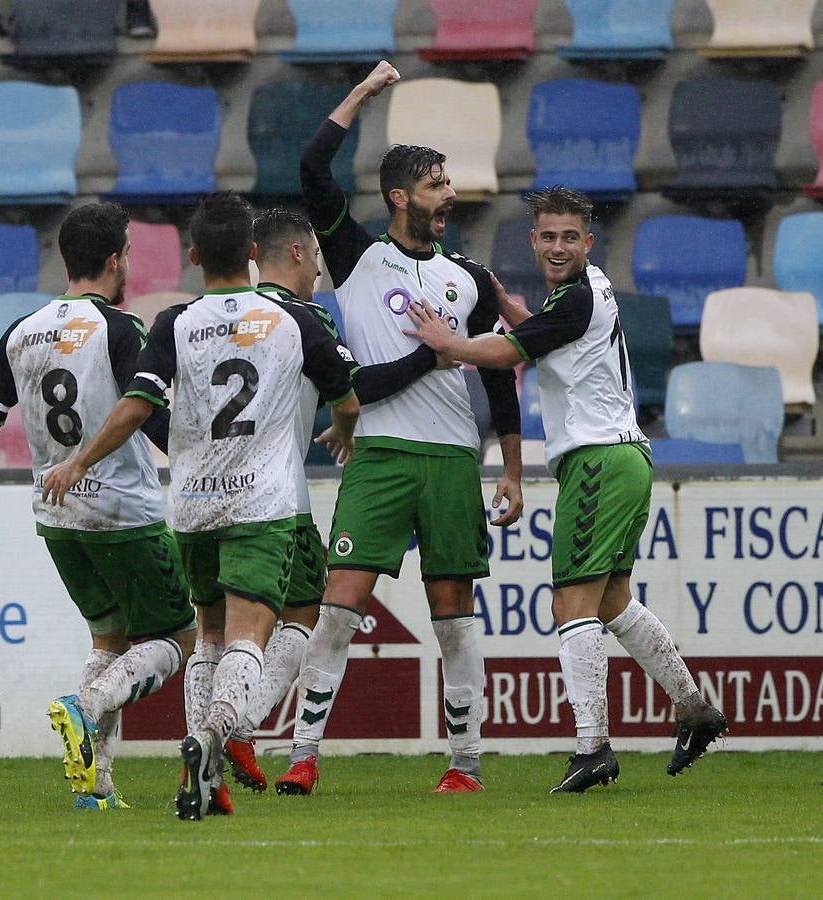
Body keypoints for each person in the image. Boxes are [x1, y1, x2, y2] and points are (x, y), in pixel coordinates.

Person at [42, 192, 360, 822]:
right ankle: (210, 742)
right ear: (251, 252)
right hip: (260, 505)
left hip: (191, 506)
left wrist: (79, 460)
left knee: (207, 638)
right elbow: (345, 395)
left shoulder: (173, 324)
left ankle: (205, 778)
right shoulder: (294, 319)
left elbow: (137, 405)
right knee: (249, 637)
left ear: (191, 256)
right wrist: (345, 425)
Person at [403, 186, 729, 793]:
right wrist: (511, 307)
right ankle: (693, 708)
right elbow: (553, 341)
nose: (557, 246)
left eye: (568, 237)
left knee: (569, 606)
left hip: (600, 462)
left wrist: (449, 344)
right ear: (533, 240)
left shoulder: (575, 297)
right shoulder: (587, 291)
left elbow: (506, 353)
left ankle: (592, 747)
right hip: (624, 457)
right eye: (547, 236)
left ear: (588, 241)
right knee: (610, 603)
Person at [276, 60, 524, 797]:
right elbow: (311, 164)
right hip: (380, 454)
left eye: (447, 185)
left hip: (452, 457)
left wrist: (509, 468)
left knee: (452, 615)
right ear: (398, 197)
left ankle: (465, 763)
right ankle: (303, 753)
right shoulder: (357, 258)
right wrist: (362, 92)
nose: (449, 196)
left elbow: (496, 373)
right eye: (435, 186)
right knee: (339, 607)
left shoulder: (468, 280)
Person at [0, 201, 197, 810]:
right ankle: (87, 705)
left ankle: (95, 786)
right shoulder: (118, 328)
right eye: (128, 252)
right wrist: (191, 463)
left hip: (56, 516)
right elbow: (147, 409)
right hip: (123, 514)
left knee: (107, 640)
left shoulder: (22, 331)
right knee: (179, 637)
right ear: (114, 260)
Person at [220, 208, 459, 793]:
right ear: (297, 253)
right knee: (293, 617)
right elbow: (355, 393)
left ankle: (223, 736)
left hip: (200, 494)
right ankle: (226, 725)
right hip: (275, 497)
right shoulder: (306, 319)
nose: (322, 272)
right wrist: (429, 356)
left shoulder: (210, 317)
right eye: (317, 259)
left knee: (211, 631)